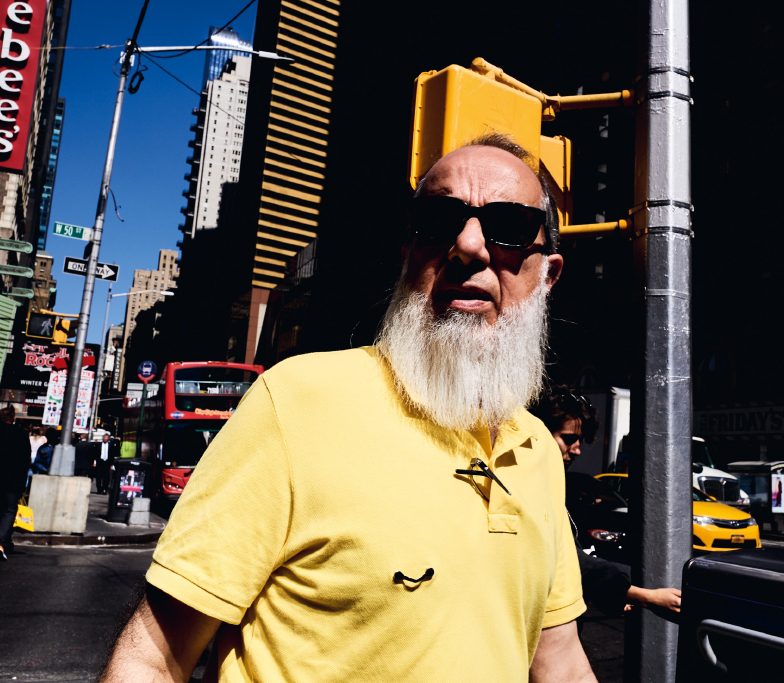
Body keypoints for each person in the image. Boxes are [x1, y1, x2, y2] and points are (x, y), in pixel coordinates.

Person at [102, 135, 595, 681]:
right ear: (408, 255)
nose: (469, 245)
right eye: (438, 219)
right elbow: (153, 656)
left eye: (508, 225)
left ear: (548, 276)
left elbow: (560, 661)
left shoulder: (538, 451)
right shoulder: (297, 401)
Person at [532, 385, 682, 618]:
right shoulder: (529, 487)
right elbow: (568, 560)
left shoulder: (552, 483)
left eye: (580, 440)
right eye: (568, 439)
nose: (577, 450)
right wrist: (644, 595)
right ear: (538, 433)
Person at [0, 405, 32, 561]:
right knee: (9, 511)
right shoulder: (20, 434)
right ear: (12, 418)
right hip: (12, 481)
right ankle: (2, 541)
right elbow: (25, 460)